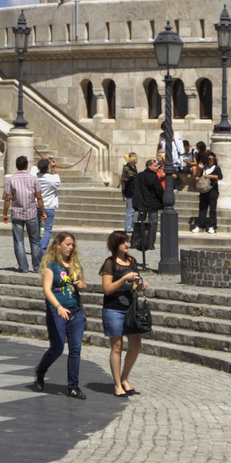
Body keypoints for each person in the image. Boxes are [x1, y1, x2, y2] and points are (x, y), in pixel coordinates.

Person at [32, 231, 87, 398]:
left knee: (75, 348)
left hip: (75, 310)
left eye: (72, 245)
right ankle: (40, 371)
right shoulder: (52, 266)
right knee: (57, 348)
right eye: (67, 244)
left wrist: (80, 285)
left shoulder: (75, 265)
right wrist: (58, 307)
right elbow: (47, 290)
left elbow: (84, 285)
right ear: (58, 245)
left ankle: (73, 386)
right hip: (57, 310)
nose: (71, 247)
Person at [99, 230, 147, 397]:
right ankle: (117, 385)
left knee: (136, 345)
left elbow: (133, 287)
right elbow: (107, 289)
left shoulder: (132, 261)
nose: (127, 244)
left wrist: (139, 287)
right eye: (123, 242)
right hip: (113, 308)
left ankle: (124, 377)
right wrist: (123, 279)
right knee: (117, 346)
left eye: (127, 241)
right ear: (115, 245)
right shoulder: (109, 263)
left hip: (130, 309)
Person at [3, 155, 43, 274]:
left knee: (19, 242)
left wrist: (4, 213)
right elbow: (39, 197)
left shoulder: (11, 180)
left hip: (17, 213)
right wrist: (43, 211)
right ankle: (37, 267)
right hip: (31, 212)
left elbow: (8, 198)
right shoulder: (34, 179)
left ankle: (23, 267)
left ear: (16, 166)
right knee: (35, 241)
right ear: (26, 165)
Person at [129, 157, 167, 262]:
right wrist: (163, 200)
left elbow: (134, 188)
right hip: (152, 204)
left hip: (141, 203)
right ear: (149, 166)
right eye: (155, 165)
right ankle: (150, 243)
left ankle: (134, 241)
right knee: (153, 223)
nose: (157, 167)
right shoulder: (153, 177)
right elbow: (159, 190)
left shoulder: (139, 176)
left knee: (139, 222)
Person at [35, 157, 63, 263]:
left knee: (40, 230)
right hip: (48, 208)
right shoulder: (51, 179)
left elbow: (34, 168)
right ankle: (41, 251)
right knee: (46, 230)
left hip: (37, 206)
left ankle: (38, 248)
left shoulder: (35, 177)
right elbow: (57, 181)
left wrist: (43, 161)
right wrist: (53, 168)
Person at [192, 147, 221, 233]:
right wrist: (199, 169)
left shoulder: (216, 168)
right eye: (209, 159)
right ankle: (200, 225)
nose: (211, 160)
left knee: (212, 209)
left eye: (212, 159)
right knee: (202, 209)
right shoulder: (204, 168)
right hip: (204, 191)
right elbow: (197, 176)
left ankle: (212, 226)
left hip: (212, 190)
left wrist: (209, 176)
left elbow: (219, 176)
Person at [119, 151, 142, 232]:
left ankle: (132, 226)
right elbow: (130, 176)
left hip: (135, 191)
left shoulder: (134, 167)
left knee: (135, 211)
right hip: (130, 191)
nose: (137, 159)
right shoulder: (127, 168)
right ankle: (128, 227)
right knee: (130, 210)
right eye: (135, 158)